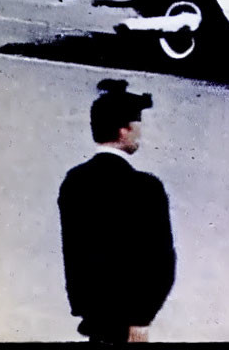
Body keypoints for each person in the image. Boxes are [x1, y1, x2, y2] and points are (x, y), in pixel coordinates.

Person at [58, 79, 176, 344]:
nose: (139, 135)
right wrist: (142, 319)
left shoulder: (74, 181)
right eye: (136, 128)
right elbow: (161, 262)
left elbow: (74, 253)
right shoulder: (146, 187)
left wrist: (87, 308)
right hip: (128, 322)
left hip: (93, 317)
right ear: (123, 131)